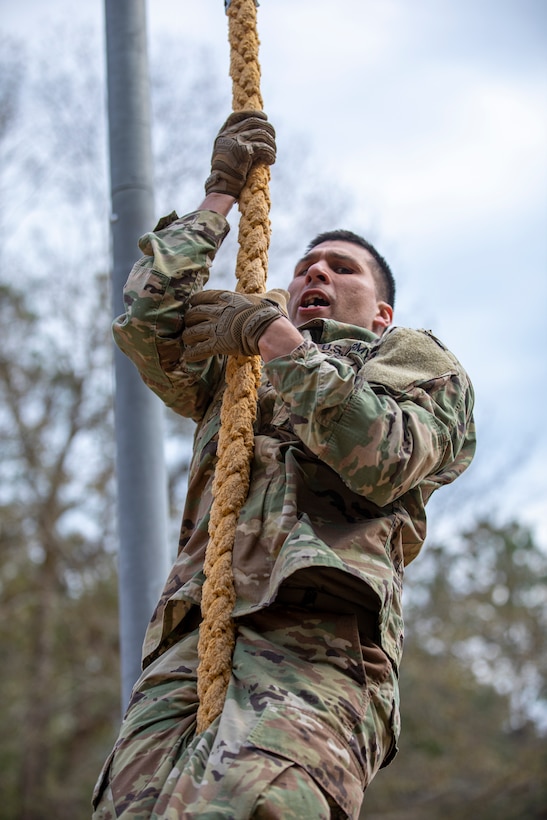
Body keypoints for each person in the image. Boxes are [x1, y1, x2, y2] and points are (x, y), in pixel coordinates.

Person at [92, 111, 476, 819]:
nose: (314, 272)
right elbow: (147, 322)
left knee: (258, 808)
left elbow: (384, 458)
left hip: (317, 648)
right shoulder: (240, 367)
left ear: (381, 312)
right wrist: (218, 197)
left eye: (341, 267)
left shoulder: (410, 365)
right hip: (193, 641)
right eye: (304, 266)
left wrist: (281, 344)